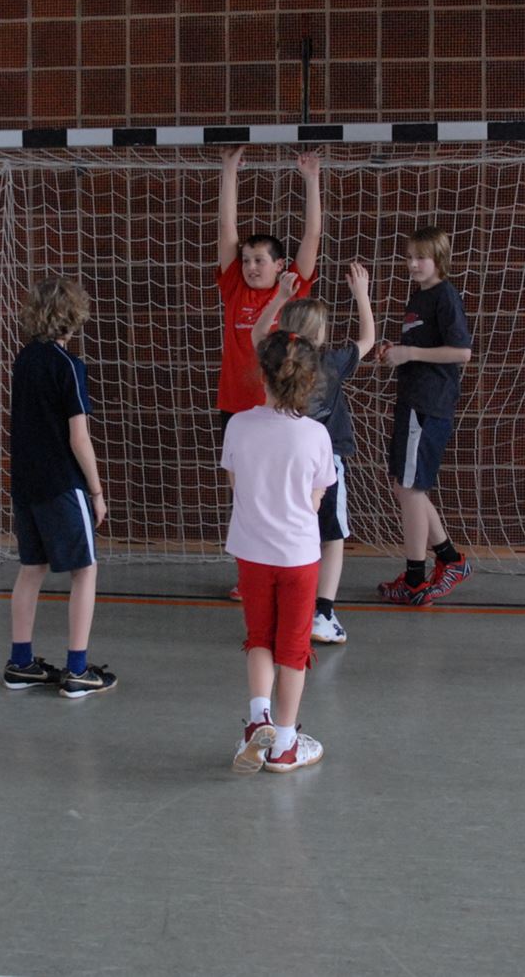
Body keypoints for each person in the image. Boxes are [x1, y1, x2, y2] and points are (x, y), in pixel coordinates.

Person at [224, 328, 335, 774]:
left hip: (252, 554)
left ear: (262, 375)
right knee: (293, 650)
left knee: (259, 639)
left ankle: (258, 720)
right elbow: (315, 500)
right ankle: (285, 744)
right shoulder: (316, 436)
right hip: (298, 558)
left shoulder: (238, 425)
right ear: (309, 381)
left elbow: (236, 484)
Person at [1, 276, 116, 699]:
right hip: (61, 483)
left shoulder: (24, 360)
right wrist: (97, 491)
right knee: (85, 570)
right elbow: (78, 438)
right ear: (74, 315)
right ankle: (78, 670)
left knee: (32, 568)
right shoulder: (68, 365)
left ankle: (20, 663)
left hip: (25, 482)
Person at [216, 145, 321, 601]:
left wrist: (311, 180)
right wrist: (229, 171)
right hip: (237, 408)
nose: (251, 266)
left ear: (280, 266)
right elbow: (227, 229)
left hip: (281, 411)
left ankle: (290, 566)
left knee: (284, 494)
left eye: (260, 260)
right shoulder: (234, 287)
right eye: (246, 259)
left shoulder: (292, 288)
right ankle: (250, 574)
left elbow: (312, 235)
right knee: (244, 496)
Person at [250, 261, 374, 644]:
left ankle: (282, 608)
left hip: (283, 462)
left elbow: (257, 333)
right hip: (325, 464)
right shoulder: (331, 364)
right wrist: (361, 295)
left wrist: (279, 297)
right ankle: (323, 612)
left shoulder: (275, 361)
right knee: (331, 536)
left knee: (289, 532)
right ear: (319, 335)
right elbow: (368, 339)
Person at [375, 226, 474, 605]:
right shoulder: (419, 296)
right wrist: (397, 350)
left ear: (439, 260)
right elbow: (422, 347)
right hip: (412, 399)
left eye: (421, 257)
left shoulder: (445, 295)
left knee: (411, 489)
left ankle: (416, 579)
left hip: (429, 404)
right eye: (409, 257)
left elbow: (462, 352)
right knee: (406, 487)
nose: (413, 264)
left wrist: (411, 354)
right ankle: (449, 558)